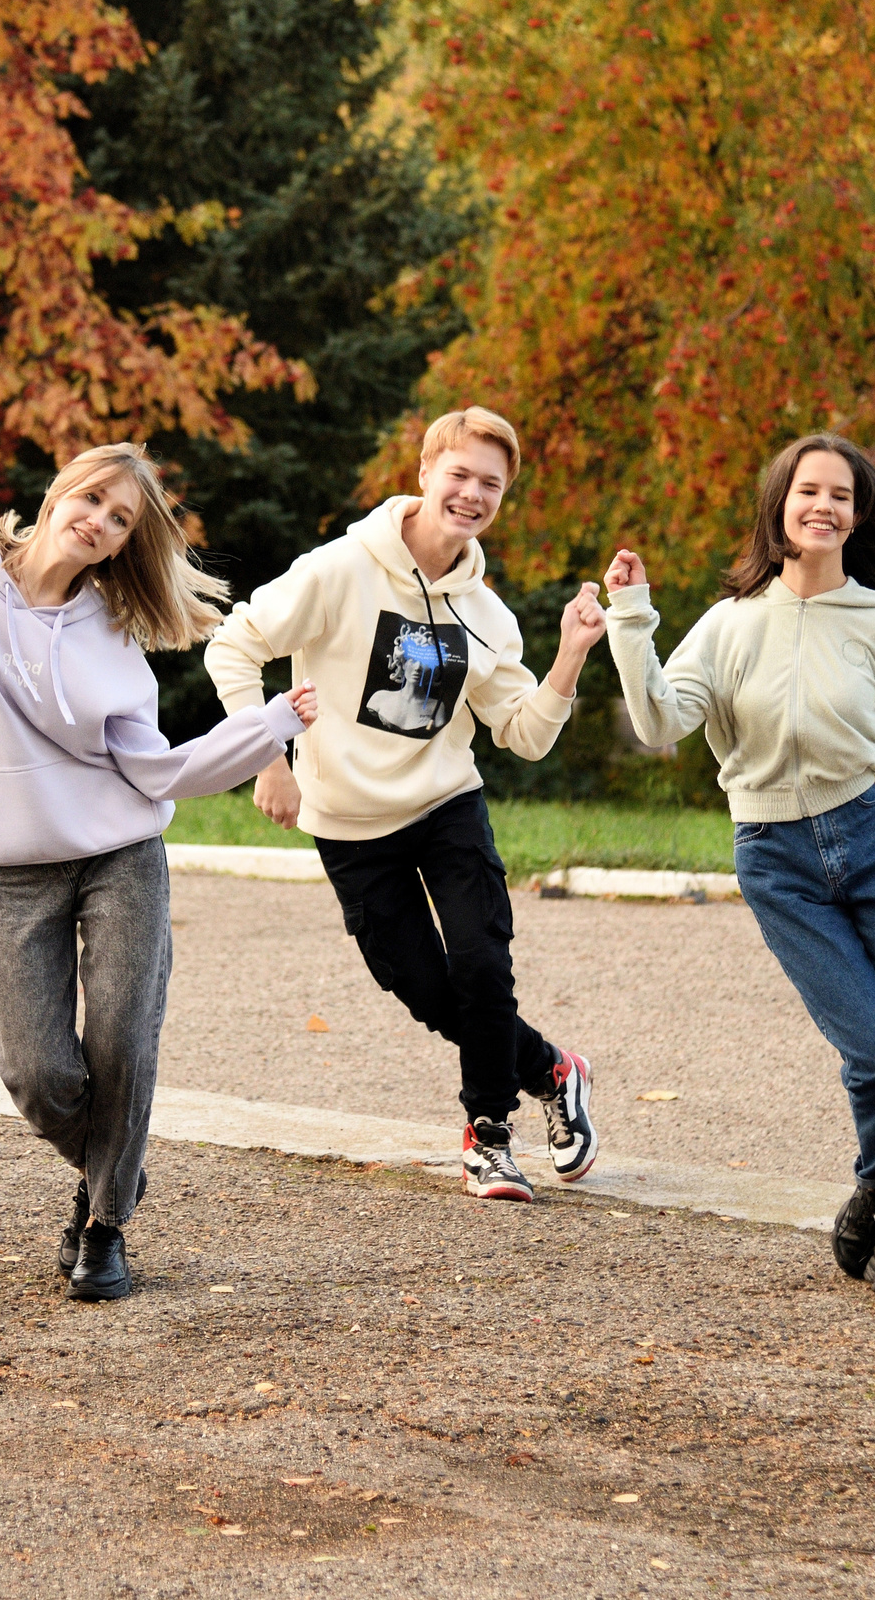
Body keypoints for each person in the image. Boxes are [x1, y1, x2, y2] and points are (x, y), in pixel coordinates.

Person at [0, 444, 319, 1300]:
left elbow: (156, 770)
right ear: (59, 488)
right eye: (92, 497)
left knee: (123, 1041)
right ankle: (117, 1170)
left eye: (120, 519)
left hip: (120, 853)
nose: (97, 520)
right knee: (36, 1070)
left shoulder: (106, 624)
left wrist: (270, 726)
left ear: (120, 543)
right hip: (10, 865)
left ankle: (105, 1226)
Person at [202, 406, 608, 1203]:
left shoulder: (486, 616)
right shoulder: (339, 569)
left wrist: (568, 657)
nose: (472, 493)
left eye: (491, 483)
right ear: (425, 472)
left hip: (446, 803)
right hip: (350, 824)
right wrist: (267, 755)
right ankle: (553, 1071)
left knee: (483, 966)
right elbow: (235, 642)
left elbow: (522, 734)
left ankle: (489, 1133)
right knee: (427, 988)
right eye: (459, 474)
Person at [603, 432, 875, 1300]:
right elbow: (657, 722)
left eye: (841, 495)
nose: (823, 506)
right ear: (780, 505)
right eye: (809, 491)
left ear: (858, 514)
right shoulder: (729, 626)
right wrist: (630, 617)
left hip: (874, 841)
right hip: (776, 857)